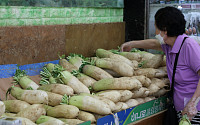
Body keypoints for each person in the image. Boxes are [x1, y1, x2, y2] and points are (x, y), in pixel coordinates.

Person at [121, 6, 200, 124]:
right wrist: (131, 44)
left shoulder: (188, 46)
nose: (156, 33)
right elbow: (154, 44)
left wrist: (192, 103)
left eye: (157, 29)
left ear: (165, 30)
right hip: (180, 109)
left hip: (194, 111)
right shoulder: (170, 45)